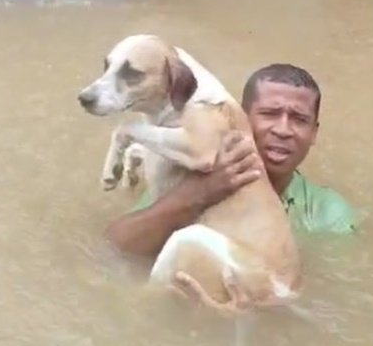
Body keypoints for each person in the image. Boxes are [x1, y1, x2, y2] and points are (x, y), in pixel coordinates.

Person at [105, 63, 360, 258]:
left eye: (299, 119)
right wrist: (199, 194)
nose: (283, 130)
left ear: (314, 133)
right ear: (240, 119)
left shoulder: (328, 213)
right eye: (270, 114)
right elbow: (117, 245)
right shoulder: (187, 177)